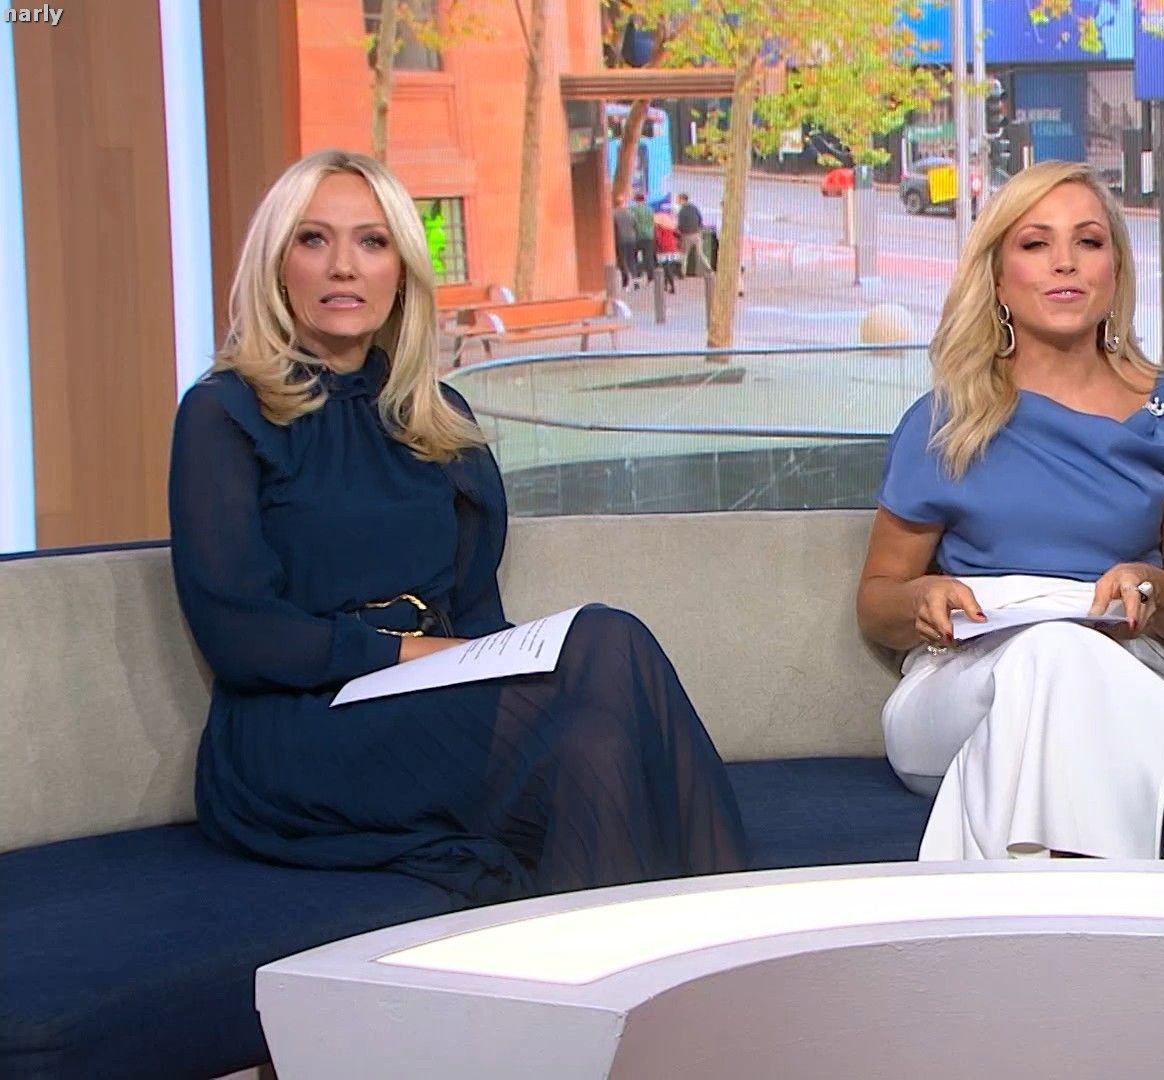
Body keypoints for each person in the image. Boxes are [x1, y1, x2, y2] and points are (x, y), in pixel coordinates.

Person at [168, 149, 746, 904]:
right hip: (298, 728)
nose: (344, 266)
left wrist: (471, 664)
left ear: (401, 272)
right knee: (608, 640)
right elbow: (240, 636)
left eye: (372, 242)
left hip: (430, 703)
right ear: (279, 266)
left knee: (596, 737)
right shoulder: (223, 413)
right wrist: (417, 653)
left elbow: (474, 612)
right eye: (313, 239)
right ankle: (735, 933)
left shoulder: (438, 419)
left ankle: (622, 967)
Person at [857, 160, 1164, 861]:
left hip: (1125, 689)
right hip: (960, 688)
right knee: (1045, 652)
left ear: (1115, 270)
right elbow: (876, 604)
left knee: (1062, 654)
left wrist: (1148, 587)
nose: (1065, 262)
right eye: (1036, 244)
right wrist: (922, 598)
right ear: (999, 278)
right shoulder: (942, 421)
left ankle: (997, 915)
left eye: (1088, 241)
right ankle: (1092, 913)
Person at [674, 193, 708, 278]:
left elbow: (681, 225)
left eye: (677, 199)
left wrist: (678, 232)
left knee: (684, 255)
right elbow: (700, 219)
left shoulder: (682, 211)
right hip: (697, 234)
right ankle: (709, 269)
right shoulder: (694, 207)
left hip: (686, 235)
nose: (676, 201)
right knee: (700, 254)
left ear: (682, 199)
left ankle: (682, 273)